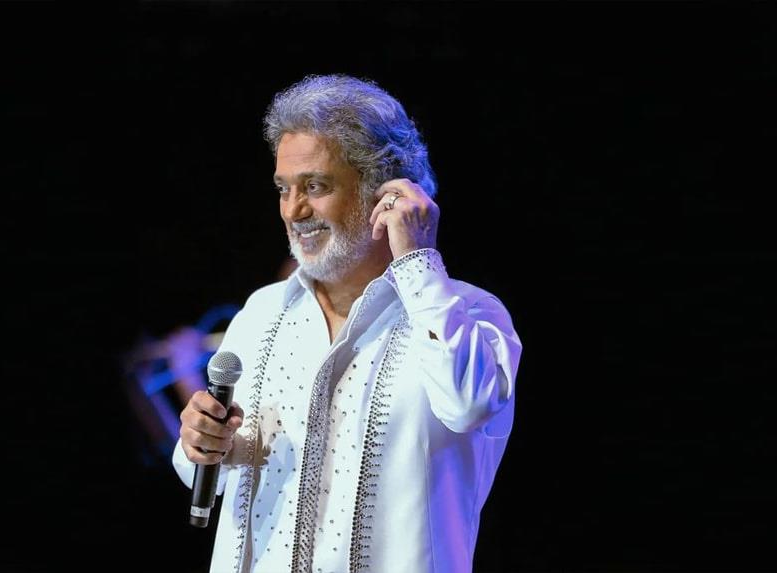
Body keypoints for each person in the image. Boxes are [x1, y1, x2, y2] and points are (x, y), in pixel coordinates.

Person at [173, 74, 522, 573]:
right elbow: (206, 473)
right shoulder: (262, 312)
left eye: (315, 186)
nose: (294, 210)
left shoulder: (470, 313)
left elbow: (470, 405)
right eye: (284, 189)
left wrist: (419, 263)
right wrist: (201, 441)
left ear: (386, 193)